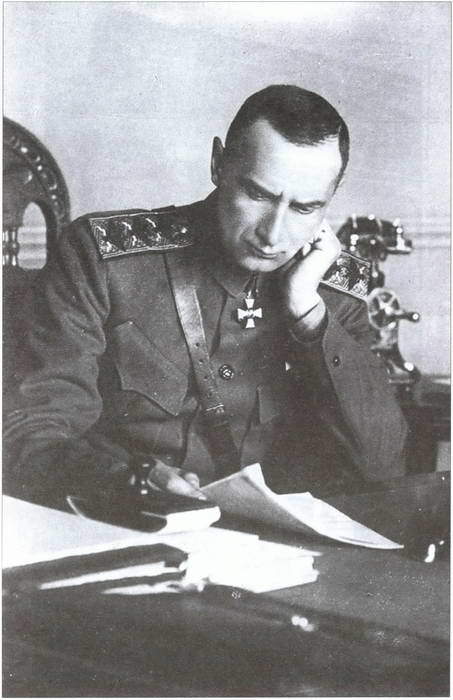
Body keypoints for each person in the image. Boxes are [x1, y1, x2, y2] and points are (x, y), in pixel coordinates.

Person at [4, 84, 408, 503]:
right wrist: (129, 480)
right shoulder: (101, 259)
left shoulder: (331, 290)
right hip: (131, 519)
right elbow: (31, 433)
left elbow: (381, 464)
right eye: (258, 194)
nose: (273, 234)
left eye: (305, 208)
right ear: (218, 164)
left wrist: (309, 315)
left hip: (276, 537)